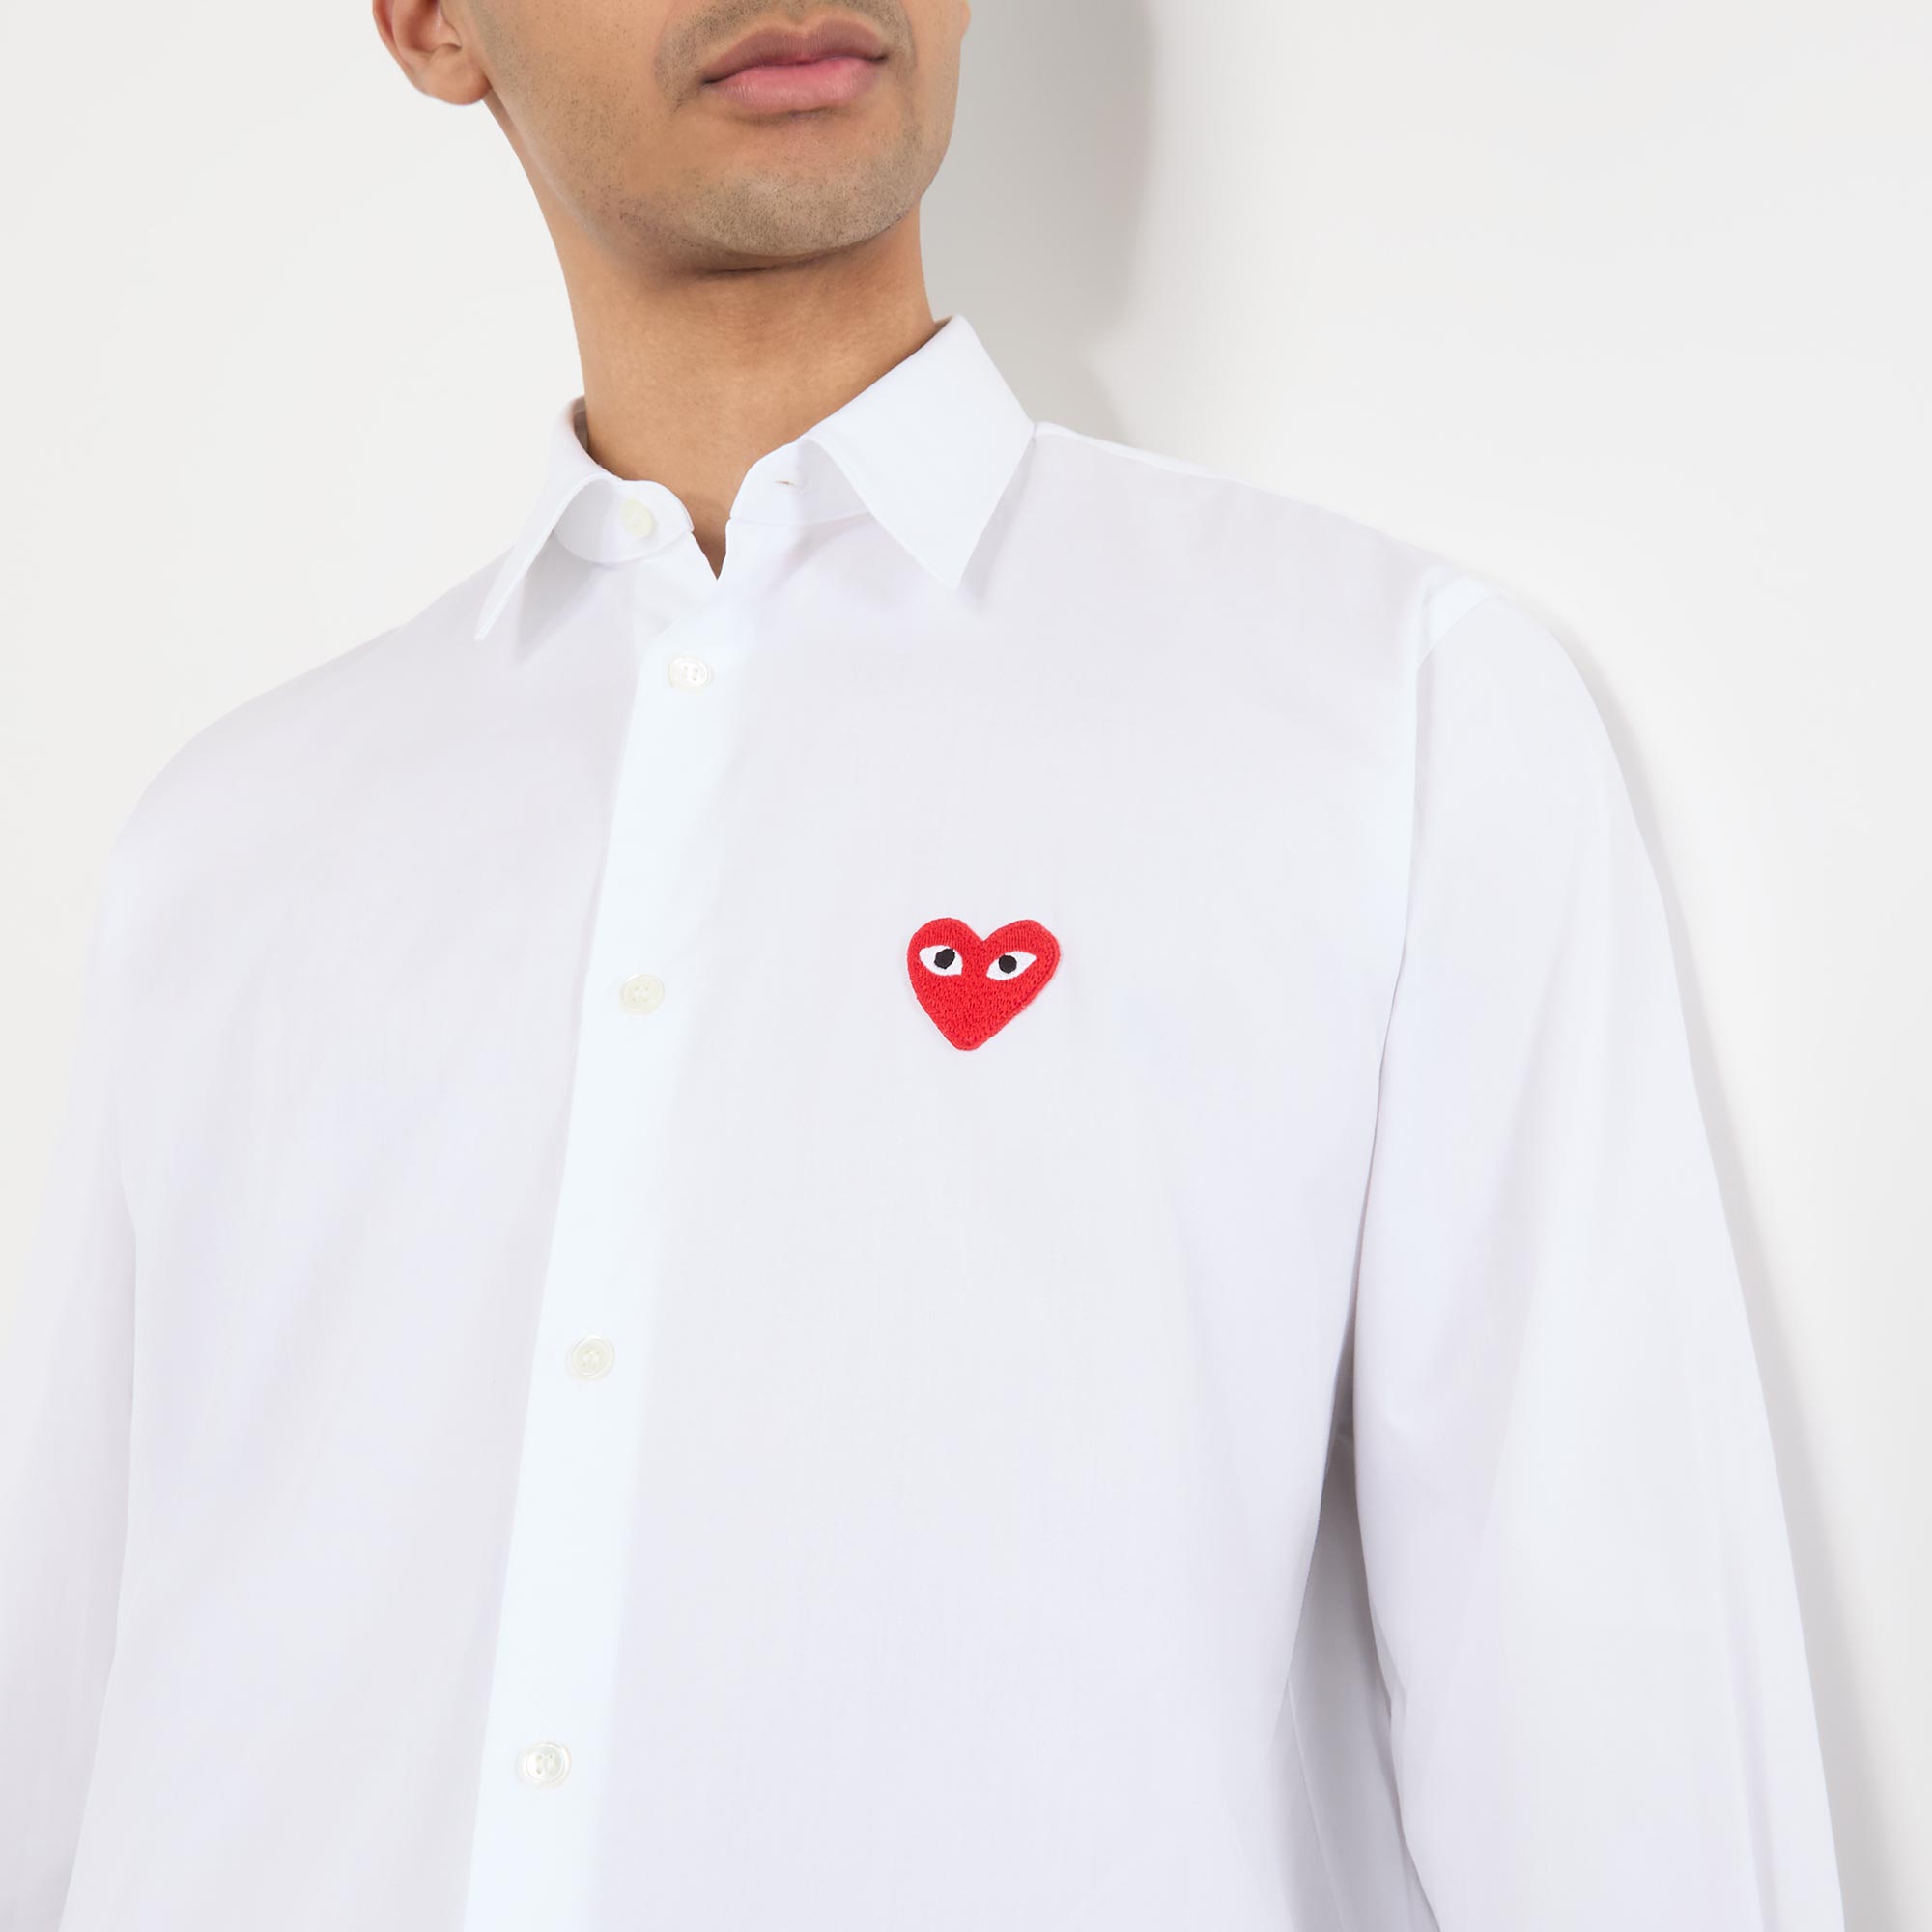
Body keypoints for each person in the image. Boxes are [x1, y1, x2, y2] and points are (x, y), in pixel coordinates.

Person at [0, 2, 1844, 1927]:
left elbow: (1618, 1758)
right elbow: (68, 1736)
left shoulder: (1386, 721)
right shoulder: (229, 859)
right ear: (431, 22)